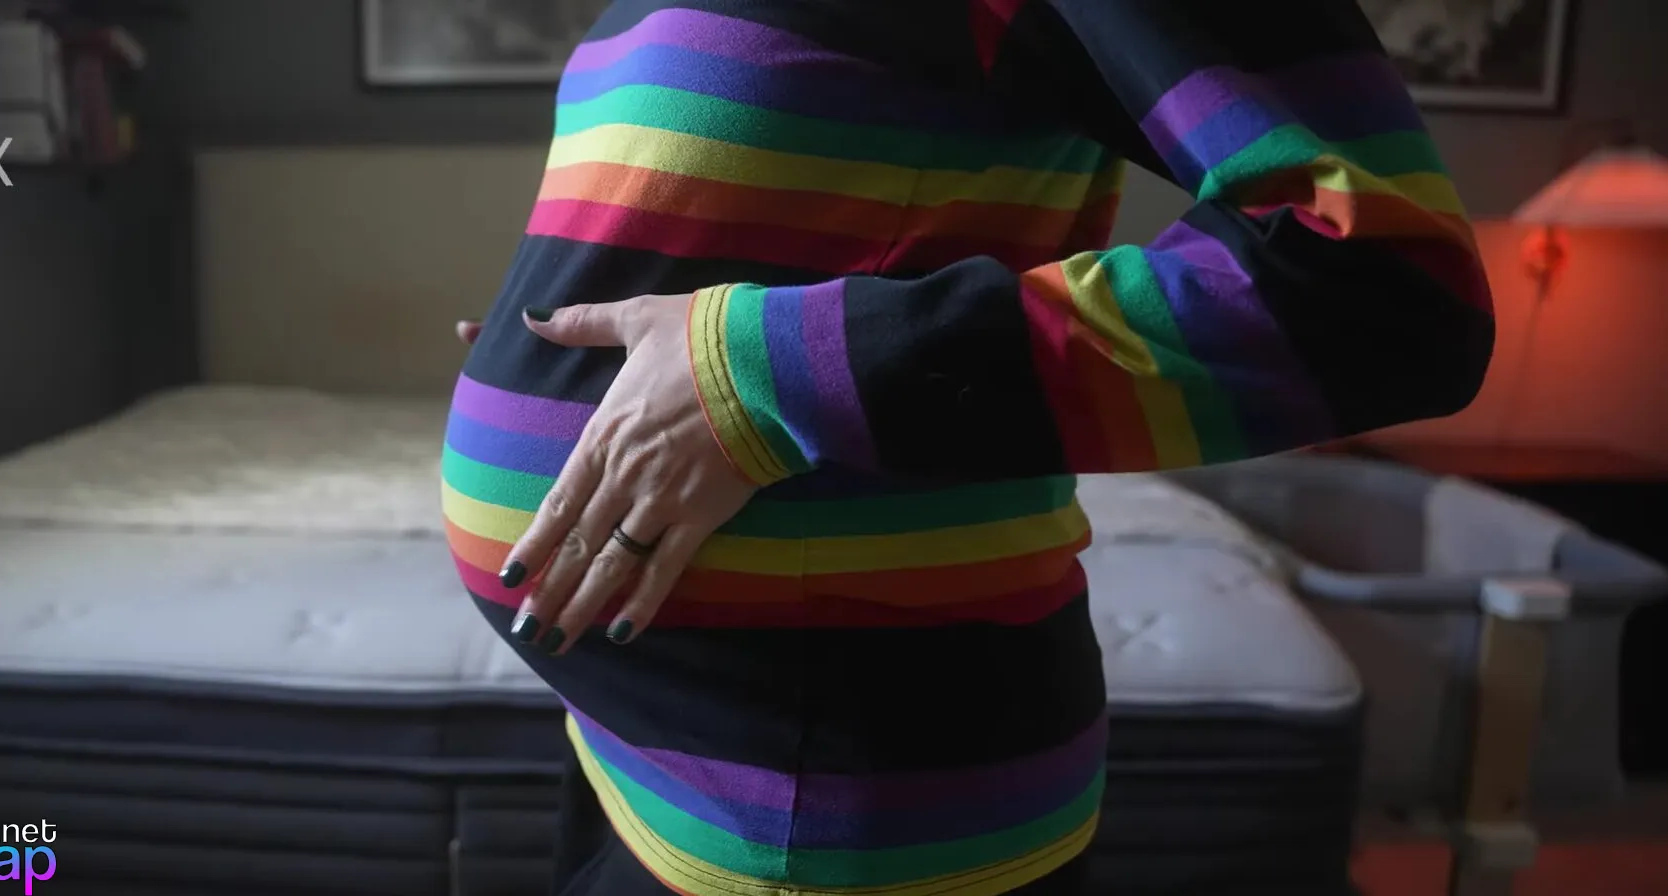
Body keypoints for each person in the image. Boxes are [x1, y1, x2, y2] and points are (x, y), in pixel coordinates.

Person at [443, 1, 1495, 893]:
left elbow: (1387, 293)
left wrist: (771, 370)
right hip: (640, 755)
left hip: (832, 799)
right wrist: (558, 340)